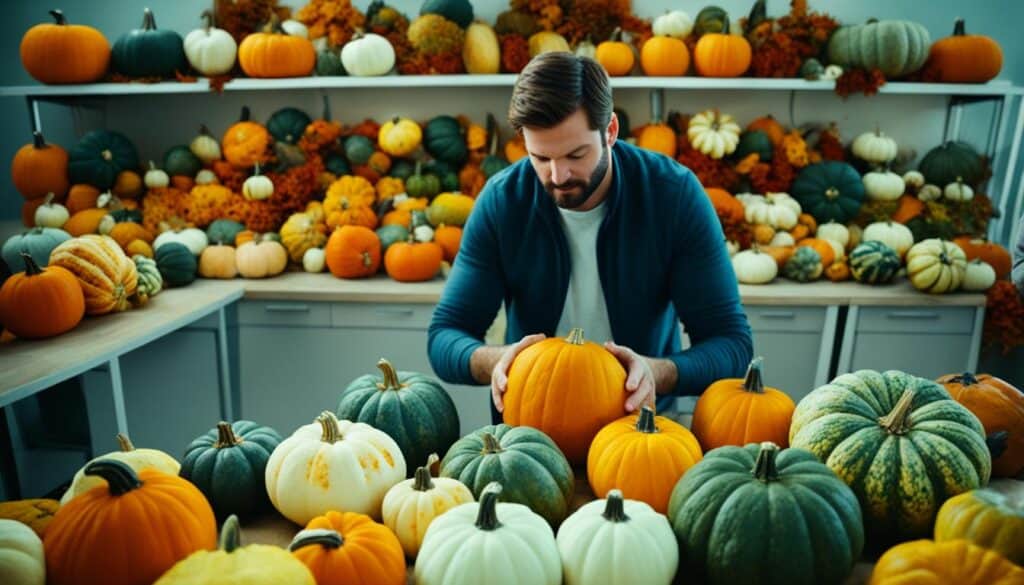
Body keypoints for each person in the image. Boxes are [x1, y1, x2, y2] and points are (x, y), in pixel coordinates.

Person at [427, 52, 753, 424]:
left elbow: (732, 344)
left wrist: (655, 372)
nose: (558, 175)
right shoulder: (502, 200)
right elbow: (444, 336)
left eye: (575, 154)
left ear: (610, 131)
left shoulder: (673, 195)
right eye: (540, 157)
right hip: (529, 432)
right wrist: (498, 361)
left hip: (640, 430)